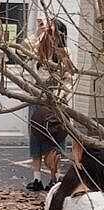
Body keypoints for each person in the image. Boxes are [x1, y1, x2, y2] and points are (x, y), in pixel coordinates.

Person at [26, 18, 70, 192]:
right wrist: (38, 32)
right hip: (37, 98)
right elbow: (24, 48)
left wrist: (59, 98)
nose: (49, 34)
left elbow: (68, 79)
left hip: (55, 102)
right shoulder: (39, 47)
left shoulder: (64, 53)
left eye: (52, 30)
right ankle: (36, 178)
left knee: (55, 139)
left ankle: (54, 178)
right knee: (35, 138)